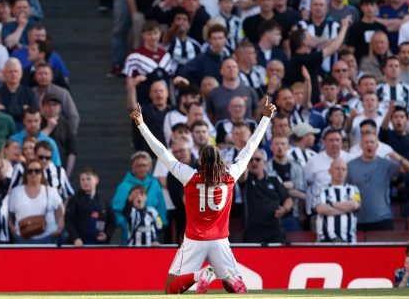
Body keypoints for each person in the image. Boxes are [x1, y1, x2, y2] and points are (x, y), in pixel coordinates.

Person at [130, 96, 276, 294]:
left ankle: (201, 275)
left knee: (171, 290)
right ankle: (227, 277)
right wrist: (265, 119)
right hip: (220, 240)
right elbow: (249, 149)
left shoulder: (189, 176)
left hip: (194, 240)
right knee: (237, 290)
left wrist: (141, 125)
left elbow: (162, 152)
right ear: (220, 160)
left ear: (200, 160)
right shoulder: (230, 175)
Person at [347, 133, 409, 231]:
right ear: (361, 146)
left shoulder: (386, 164)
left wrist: (399, 158)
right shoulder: (350, 166)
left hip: (382, 218)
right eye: (366, 142)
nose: (369, 145)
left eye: (372, 142)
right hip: (358, 219)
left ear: (377, 146)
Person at [111, 151, 168, 243]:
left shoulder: (155, 184)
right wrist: (124, 223)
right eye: (138, 165)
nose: (141, 168)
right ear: (133, 168)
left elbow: (161, 209)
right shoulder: (124, 186)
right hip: (131, 236)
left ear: (149, 167)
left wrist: (159, 226)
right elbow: (116, 210)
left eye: (144, 165)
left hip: (151, 237)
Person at [241, 148, 293, 243]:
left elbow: (288, 199)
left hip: (274, 229)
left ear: (264, 162)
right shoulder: (246, 180)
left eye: (257, 159)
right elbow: (241, 177)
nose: (254, 162)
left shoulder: (274, 179)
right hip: (253, 231)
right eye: (250, 160)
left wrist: (284, 209)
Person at [8, 159, 64, 244]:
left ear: (42, 173)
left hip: (48, 237)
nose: (33, 174)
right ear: (25, 174)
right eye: (30, 171)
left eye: (37, 171)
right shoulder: (16, 191)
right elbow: (9, 214)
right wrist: (12, 229)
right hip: (22, 238)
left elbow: (60, 212)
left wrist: (59, 228)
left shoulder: (51, 191)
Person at [314, 158, 361, 243]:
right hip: (325, 241)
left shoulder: (354, 189)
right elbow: (320, 209)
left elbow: (355, 205)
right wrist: (347, 208)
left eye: (343, 169)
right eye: (337, 168)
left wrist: (331, 204)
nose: (340, 172)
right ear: (330, 171)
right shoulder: (321, 190)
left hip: (349, 241)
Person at [65, 168, 116, 246]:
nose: (85, 182)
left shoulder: (103, 200)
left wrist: (106, 234)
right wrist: (75, 238)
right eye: (82, 179)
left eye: (88, 179)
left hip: (98, 244)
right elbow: (68, 220)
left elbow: (112, 221)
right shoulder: (74, 200)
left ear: (96, 180)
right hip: (79, 244)